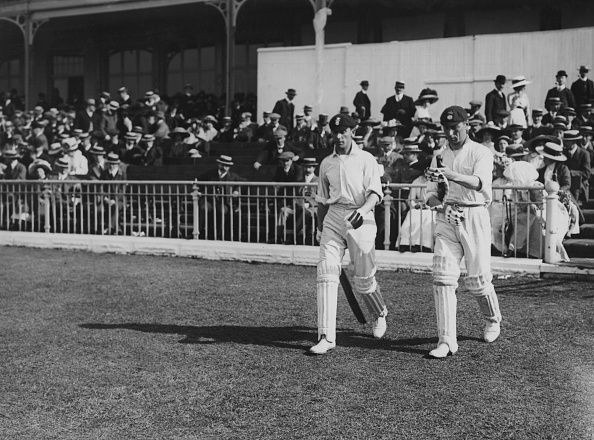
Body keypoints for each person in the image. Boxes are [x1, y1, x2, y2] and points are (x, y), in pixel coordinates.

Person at [424, 105, 502, 358]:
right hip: (447, 216)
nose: (451, 134)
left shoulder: (481, 152)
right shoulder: (439, 155)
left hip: (474, 214)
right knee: (443, 277)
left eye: (456, 128)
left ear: (467, 126)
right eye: (447, 129)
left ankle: (492, 319)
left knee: (478, 280)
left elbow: (479, 183)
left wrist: (452, 175)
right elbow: (431, 195)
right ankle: (446, 341)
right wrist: (435, 198)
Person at [309, 113, 388, 355]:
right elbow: (322, 201)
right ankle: (326, 336)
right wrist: (321, 227)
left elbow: (375, 193)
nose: (339, 136)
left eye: (343, 132)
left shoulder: (366, 159)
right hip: (334, 216)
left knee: (363, 281)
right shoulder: (326, 163)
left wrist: (362, 212)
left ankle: (379, 313)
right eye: (335, 133)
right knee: (326, 272)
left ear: (352, 132)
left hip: (360, 216)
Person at [562, 130, 591, 204]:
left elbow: (587, 173)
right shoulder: (563, 153)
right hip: (567, 187)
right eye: (564, 141)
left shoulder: (584, 154)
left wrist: (569, 172)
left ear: (574, 142)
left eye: (567, 141)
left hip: (580, 188)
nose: (565, 143)